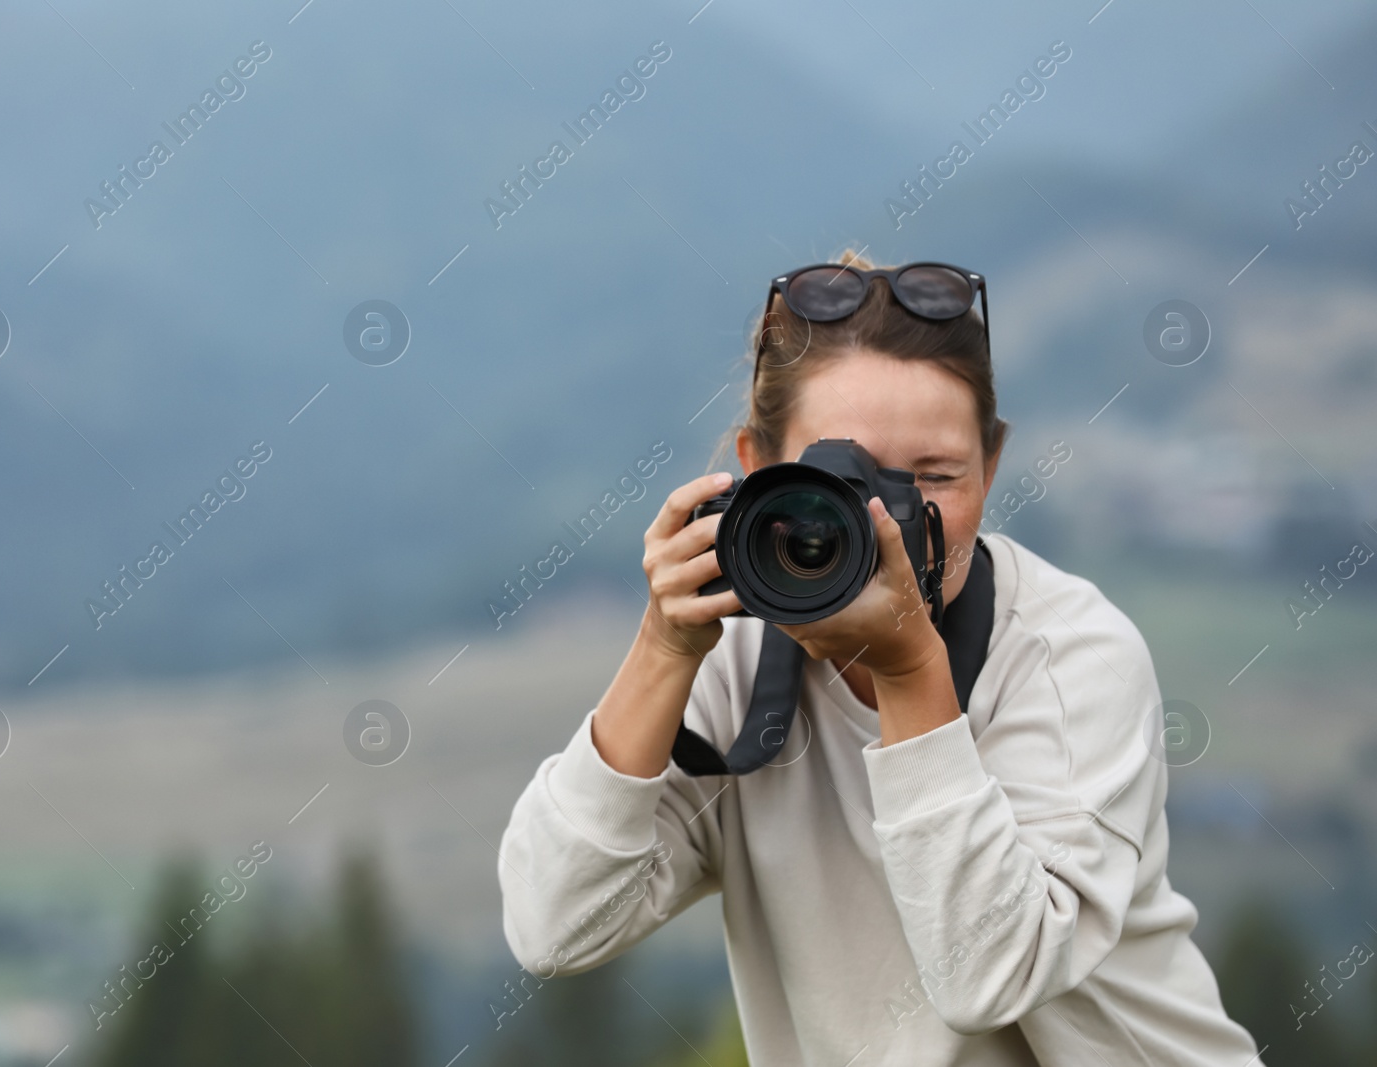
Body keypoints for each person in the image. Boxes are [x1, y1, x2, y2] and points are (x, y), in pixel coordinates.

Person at [496, 250, 1262, 1064]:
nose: (887, 518)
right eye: (844, 477)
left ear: (992, 466)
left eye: (935, 475)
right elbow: (553, 924)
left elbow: (989, 978)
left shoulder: (1071, 655)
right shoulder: (735, 663)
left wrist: (908, 672)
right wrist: (663, 647)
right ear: (756, 467)